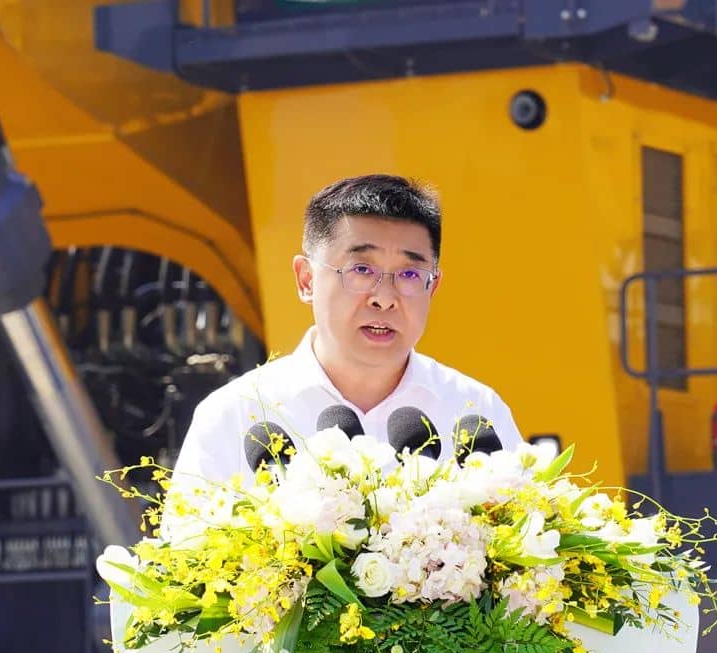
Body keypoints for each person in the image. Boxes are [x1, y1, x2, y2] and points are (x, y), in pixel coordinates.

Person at [163, 174, 522, 541]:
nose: (385, 298)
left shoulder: (476, 412)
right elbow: (185, 563)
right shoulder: (237, 415)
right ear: (306, 280)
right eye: (361, 270)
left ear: (433, 287)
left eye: (410, 274)